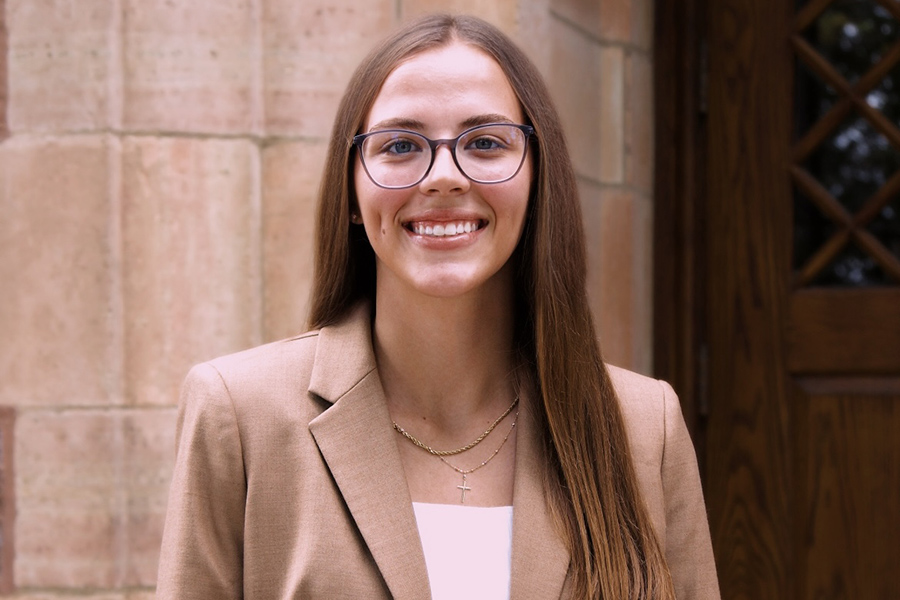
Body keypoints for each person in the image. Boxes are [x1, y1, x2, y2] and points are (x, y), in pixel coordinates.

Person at [156, 13, 720, 600]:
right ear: (351, 191)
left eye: (484, 142)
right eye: (400, 145)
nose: (444, 176)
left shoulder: (643, 427)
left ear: (537, 177)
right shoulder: (239, 416)